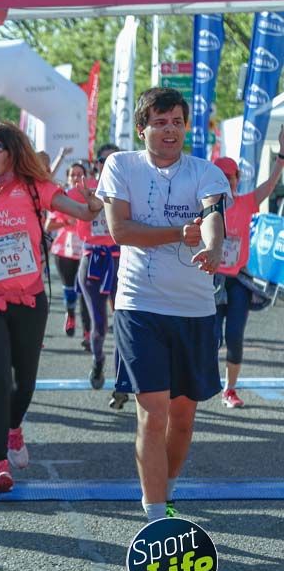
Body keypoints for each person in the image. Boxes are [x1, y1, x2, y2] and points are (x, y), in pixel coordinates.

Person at [97, 87, 229, 522]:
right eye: (159, 122)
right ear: (143, 128)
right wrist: (178, 233)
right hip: (140, 306)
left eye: (176, 122)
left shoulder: (206, 171)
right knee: (153, 414)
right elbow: (120, 231)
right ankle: (156, 516)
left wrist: (212, 248)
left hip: (195, 310)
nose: (169, 130)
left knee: (183, 417)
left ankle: (166, 491)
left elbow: (213, 214)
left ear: (185, 127)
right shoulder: (121, 165)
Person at [0, 122, 103, 493]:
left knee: (24, 383)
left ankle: (14, 427)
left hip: (29, 298)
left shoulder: (36, 188)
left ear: (12, 151)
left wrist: (91, 205)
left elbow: (83, 213)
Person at [213, 130, 284, 408]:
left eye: (229, 177)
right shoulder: (203, 206)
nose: (225, 181)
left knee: (234, 337)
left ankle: (229, 390)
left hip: (238, 281)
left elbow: (270, 185)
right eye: (219, 177)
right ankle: (199, 382)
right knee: (211, 338)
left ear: (237, 178)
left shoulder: (245, 203)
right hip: (210, 280)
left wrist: (281, 155)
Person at [67, 161, 121, 390]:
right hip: (93, 262)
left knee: (123, 323)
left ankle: (122, 376)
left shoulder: (127, 189)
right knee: (99, 325)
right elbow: (53, 198)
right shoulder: (83, 189)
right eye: (103, 162)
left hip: (120, 262)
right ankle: (98, 360)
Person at [45, 163, 91, 342]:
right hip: (64, 250)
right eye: (73, 175)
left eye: (80, 174)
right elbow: (49, 226)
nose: (76, 178)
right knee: (70, 289)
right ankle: (70, 314)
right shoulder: (61, 197)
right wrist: (66, 222)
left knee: (85, 291)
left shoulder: (92, 196)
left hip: (87, 249)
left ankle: (87, 332)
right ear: (68, 178)